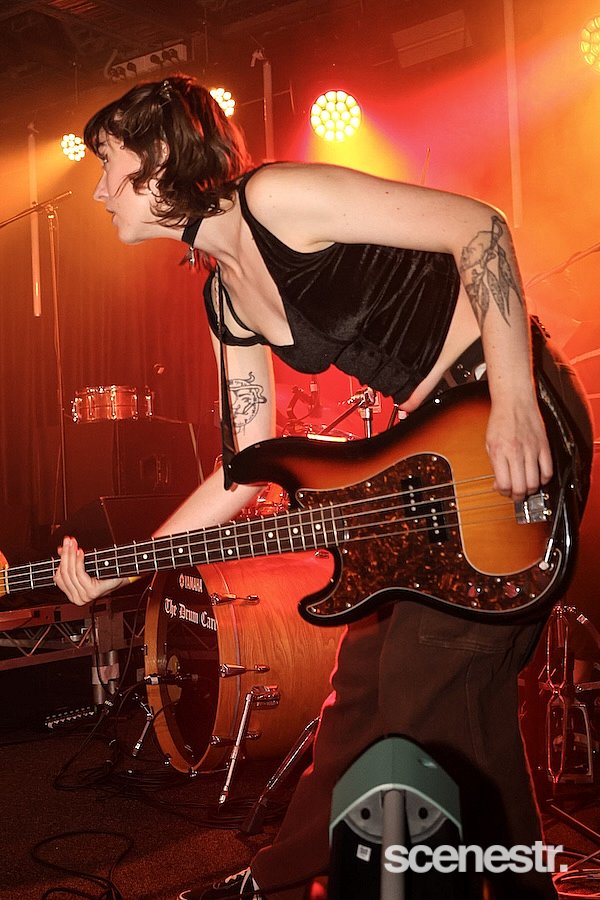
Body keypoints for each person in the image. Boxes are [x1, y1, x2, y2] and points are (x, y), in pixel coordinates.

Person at [54, 75, 593, 899]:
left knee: (431, 683)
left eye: (109, 163)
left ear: (160, 158)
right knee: (369, 687)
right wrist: (128, 565)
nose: (98, 190)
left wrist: (515, 400)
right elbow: (248, 461)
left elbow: (481, 227)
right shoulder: (225, 297)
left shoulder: (277, 198)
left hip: (506, 420)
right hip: (430, 467)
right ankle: (283, 878)